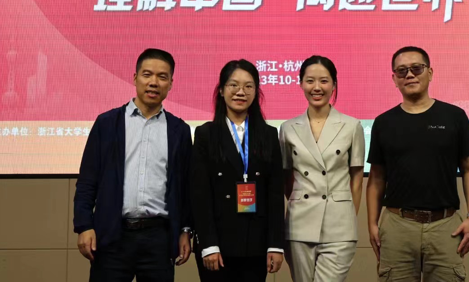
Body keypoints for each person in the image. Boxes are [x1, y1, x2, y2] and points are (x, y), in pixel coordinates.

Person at [73, 48, 193, 282]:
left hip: (158, 238)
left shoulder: (179, 130)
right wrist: (84, 225)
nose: (153, 82)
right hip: (112, 235)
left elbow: (185, 187)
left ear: (171, 83)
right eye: (147, 75)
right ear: (135, 78)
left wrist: (185, 229)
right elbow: (87, 181)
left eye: (162, 77)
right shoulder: (107, 123)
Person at [367, 46, 469, 282]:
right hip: (397, 226)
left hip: (445, 226)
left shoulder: (454, 116)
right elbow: (376, 178)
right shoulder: (383, 122)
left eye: (416, 68)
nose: (409, 75)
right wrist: (372, 224)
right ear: (394, 79)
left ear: (430, 73)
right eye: (402, 71)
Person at [191, 59, 285, 281]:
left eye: (248, 86)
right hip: (218, 245)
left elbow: (275, 194)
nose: (240, 92)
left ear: (256, 92)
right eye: (233, 85)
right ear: (221, 90)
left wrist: (275, 244)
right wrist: (208, 244)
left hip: (257, 244)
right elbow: (199, 194)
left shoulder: (269, 135)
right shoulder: (206, 135)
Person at [280, 55, 365, 282]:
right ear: (301, 84)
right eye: (310, 81)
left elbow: (357, 177)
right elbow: (287, 177)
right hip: (299, 222)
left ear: (334, 84)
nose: (317, 87)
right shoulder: (288, 128)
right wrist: (301, 201)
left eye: (324, 81)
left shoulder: (352, 126)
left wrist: (347, 213)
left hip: (339, 224)